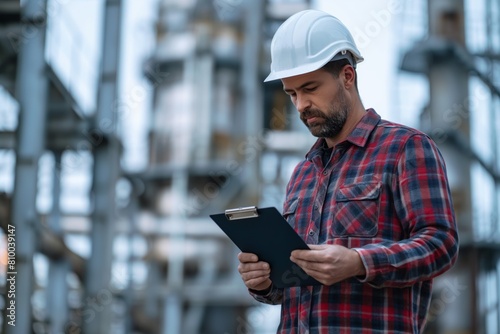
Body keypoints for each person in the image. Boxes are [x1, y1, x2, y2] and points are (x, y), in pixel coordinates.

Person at [237, 9, 459, 333]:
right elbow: (291, 287)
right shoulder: (302, 174)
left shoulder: (406, 148)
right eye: (292, 94)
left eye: (310, 88)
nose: (300, 105)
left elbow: (441, 245)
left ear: (347, 76)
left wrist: (359, 263)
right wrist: (264, 281)